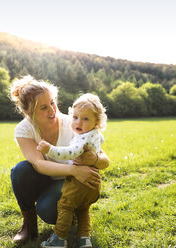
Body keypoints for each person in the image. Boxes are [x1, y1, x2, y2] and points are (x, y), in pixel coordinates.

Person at [9, 75, 109, 245]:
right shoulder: (23, 129)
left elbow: (105, 160)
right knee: (20, 171)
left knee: (47, 211)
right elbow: (39, 164)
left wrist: (95, 159)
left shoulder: (73, 123)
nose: (52, 110)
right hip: (48, 177)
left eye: (52, 102)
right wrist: (74, 170)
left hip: (70, 182)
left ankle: (74, 213)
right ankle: (29, 224)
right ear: (29, 112)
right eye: (43, 107)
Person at [37, 93, 107, 248]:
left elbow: (70, 153)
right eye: (75, 117)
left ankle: (59, 239)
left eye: (85, 119)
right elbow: (101, 140)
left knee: (65, 206)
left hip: (78, 182)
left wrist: (50, 149)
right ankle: (84, 239)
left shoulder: (82, 138)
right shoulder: (95, 134)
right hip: (93, 182)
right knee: (83, 209)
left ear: (97, 122)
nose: (78, 122)